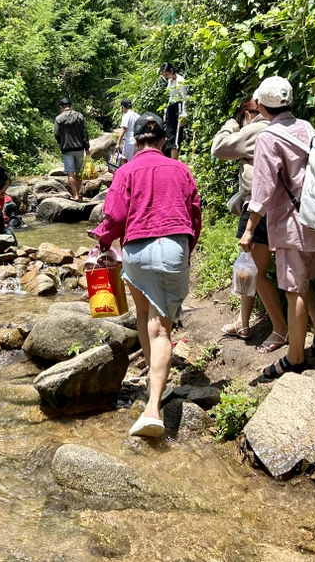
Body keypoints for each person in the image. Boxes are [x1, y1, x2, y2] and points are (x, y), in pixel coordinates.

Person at [92, 112, 202, 438]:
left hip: (136, 251)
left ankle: (150, 389)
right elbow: (194, 214)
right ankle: (154, 408)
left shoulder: (125, 171)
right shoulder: (181, 169)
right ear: (164, 140)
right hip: (172, 247)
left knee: (143, 315)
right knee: (161, 329)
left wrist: (102, 240)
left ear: (135, 141)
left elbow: (114, 215)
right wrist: (187, 248)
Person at [239, 77, 315, 378]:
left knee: (294, 291)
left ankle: (295, 358)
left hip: (293, 224)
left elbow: (263, 187)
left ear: (262, 107)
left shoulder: (269, 138)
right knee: (303, 283)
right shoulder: (307, 128)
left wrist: (249, 229)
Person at [211, 99, 288, 351]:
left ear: (249, 114)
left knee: (253, 269)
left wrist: (231, 124)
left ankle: (281, 328)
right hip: (270, 206)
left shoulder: (257, 128)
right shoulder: (286, 126)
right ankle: (243, 322)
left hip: (259, 208)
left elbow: (219, 148)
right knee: (248, 267)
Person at [54, 97, 90, 202]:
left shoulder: (58, 119)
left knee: (70, 172)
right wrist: (87, 147)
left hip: (67, 149)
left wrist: (61, 142)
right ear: (70, 105)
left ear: (61, 107)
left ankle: (75, 195)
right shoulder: (79, 116)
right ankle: (77, 193)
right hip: (79, 148)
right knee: (79, 172)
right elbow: (85, 133)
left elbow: (56, 133)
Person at [159, 62, 188, 159]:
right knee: (169, 137)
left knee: (175, 139)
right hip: (171, 108)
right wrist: (166, 111)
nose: (166, 77)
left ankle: (174, 162)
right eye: (165, 75)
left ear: (171, 70)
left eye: (167, 74)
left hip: (178, 108)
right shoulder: (170, 80)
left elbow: (184, 99)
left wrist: (183, 116)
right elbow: (170, 96)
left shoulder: (180, 81)